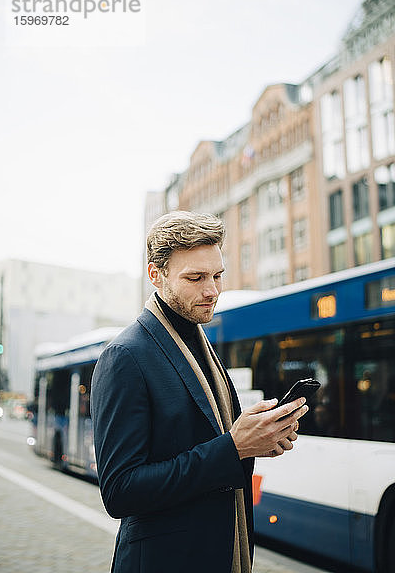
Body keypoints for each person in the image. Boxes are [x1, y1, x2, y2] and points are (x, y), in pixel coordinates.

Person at [90, 211, 308, 573]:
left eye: (218, 275)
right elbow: (120, 491)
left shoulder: (201, 344)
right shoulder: (124, 357)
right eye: (195, 278)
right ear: (155, 275)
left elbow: (205, 444)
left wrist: (257, 442)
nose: (212, 290)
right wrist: (233, 447)